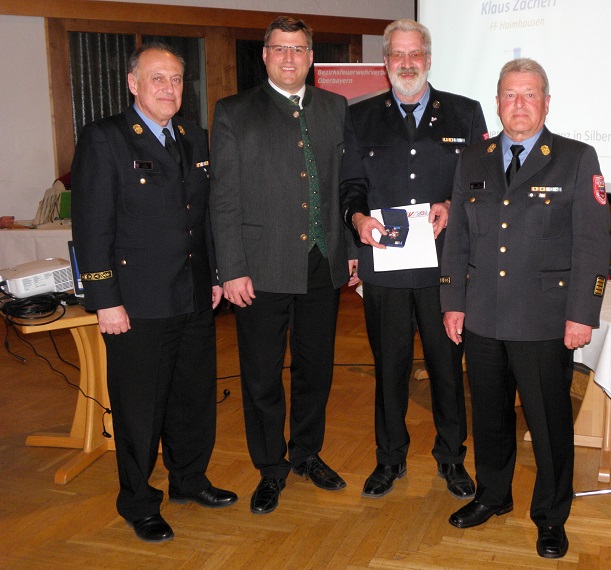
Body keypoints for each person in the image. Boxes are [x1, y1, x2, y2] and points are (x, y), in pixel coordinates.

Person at [440, 58, 611, 559]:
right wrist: (452, 302)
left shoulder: (576, 158)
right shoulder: (474, 158)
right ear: (497, 103)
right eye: (510, 95)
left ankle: (552, 516)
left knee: (548, 423)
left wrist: (583, 312)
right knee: (490, 417)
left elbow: (592, 244)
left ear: (546, 102)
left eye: (530, 94)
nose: (519, 104)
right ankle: (493, 495)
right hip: (483, 315)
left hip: (544, 319)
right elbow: (458, 240)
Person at [71, 43, 237, 543]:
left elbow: (202, 216)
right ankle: (138, 501)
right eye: (157, 78)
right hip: (136, 302)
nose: (169, 88)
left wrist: (213, 276)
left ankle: (189, 480)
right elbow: (92, 226)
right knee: (140, 408)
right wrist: (105, 299)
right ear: (133, 84)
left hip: (192, 294)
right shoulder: (106, 138)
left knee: (193, 398)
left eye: (176, 80)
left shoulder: (192, 136)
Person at [209, 16, 357, 516]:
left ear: (311, 57)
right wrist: (231, 268)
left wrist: (350, 250)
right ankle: (271, 468)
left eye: (298, 49)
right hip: (259, 268)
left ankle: (307, 454)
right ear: (265, 55)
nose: (289, 57)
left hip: (321, 262)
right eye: (280, 48)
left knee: (316, 368)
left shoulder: (335, 107)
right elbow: (224, 199)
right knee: (262, 375)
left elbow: (343, 187)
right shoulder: (233, 112)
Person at [340, 19, 487, 500]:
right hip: (384, 265)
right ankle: (390, 458)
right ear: (385, 62)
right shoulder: (359, 117)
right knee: (390, 368)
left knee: (447, 367)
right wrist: (357, 219)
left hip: (445, 266)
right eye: (398, 55)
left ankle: (452, 458)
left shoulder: (464, 113)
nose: (407, 64)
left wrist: (451, 204)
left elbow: (481, 184)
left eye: (415, 54)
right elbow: (350, 185)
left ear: (428, 59)